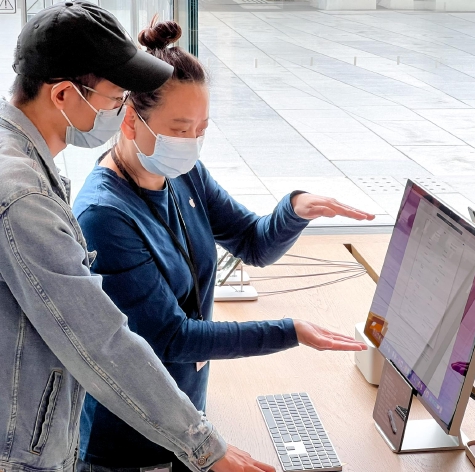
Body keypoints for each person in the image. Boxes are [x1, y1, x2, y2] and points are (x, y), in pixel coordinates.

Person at [73, 17, 373, 471]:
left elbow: (253, 243)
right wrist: (290, 331)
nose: (192, 143)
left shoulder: (182, 173)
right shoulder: (104, 217)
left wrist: (296, 209)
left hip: (185, 421)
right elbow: (171, 338)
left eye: (202, 129)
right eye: (179, 128)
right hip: (130, 445)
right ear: (131, 120)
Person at [0, 2, 286, 471]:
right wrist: (204, 447)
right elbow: (101, 340)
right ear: (64, 96)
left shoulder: (26, 163)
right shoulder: (24, 198)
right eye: (116, 99)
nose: (122, 112)